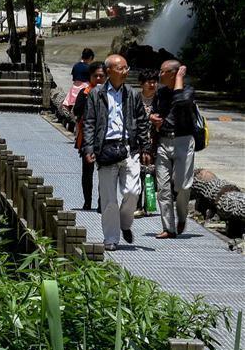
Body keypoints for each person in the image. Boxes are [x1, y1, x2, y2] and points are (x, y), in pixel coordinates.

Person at [82, 54, 151, 251]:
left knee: (132, 192)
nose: (126, 71)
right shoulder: (96, 94)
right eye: (121, 68)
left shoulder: (132, 93)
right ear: (109, 71)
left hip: (129, 148)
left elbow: (142, 121)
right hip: (105, 149)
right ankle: (111, 238)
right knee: (109, 198)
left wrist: (145, 146)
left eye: (127, 68)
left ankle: (125, 224)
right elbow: (89, 122)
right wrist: (88, 148)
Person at [150, 61, 196, 239]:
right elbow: (154, 111)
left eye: (162, 72)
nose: (159, 75)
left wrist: (179, 80)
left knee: (183, 186)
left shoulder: (188, 91)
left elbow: (181, 102)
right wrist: (152, 117)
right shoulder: (160, 93)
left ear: (173, 73)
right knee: (163, 188)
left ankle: (182, 216)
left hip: (183, 141)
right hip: (163, 141)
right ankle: (169, 228)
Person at [73, 61, 106, 211]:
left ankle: (101, 202)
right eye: (95, 76)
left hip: (105, 139)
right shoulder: (84, 93)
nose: (98, 79)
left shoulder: (109, 93)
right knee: (87, 172)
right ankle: (87, 201)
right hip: (87, 137)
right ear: (90, 77)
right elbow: (76, 111)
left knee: (104, 173)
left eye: (101, 76)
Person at [135, 69, 159, 217]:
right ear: (141, 84)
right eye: (149, 82)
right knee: (137, 174)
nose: (152, 84)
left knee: (151, 173)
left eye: (154, 81)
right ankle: (137, 205)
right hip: (137, 142)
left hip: (155, 141)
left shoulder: (160, 99)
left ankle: (149, 205)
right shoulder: (135, 98)